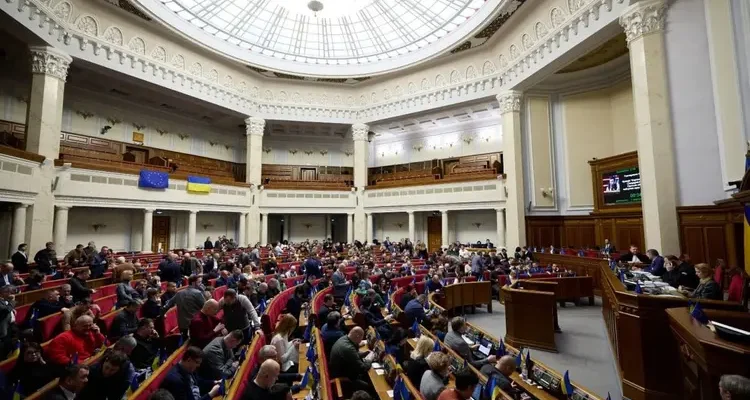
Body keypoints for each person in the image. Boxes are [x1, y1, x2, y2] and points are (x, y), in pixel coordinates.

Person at [330, 327, 375, 393]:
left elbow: (352, 355)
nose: (361, 340)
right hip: (344, 378)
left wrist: (364, 354)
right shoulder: (348, 348)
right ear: (357, 336)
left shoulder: (344, 338)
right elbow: (362, 369)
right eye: (361, 338)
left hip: (342, 370)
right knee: (370, 387)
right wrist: (369, 359)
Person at [0, 285, 17, 359]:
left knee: (9, 345)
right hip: (2, 329)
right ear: (2, 293)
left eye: (11, 292)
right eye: (8, 292)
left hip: (10, 326)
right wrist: (13, 301)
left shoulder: (6, 300)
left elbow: (8, 309)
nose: (11, 294)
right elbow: (6, 310)